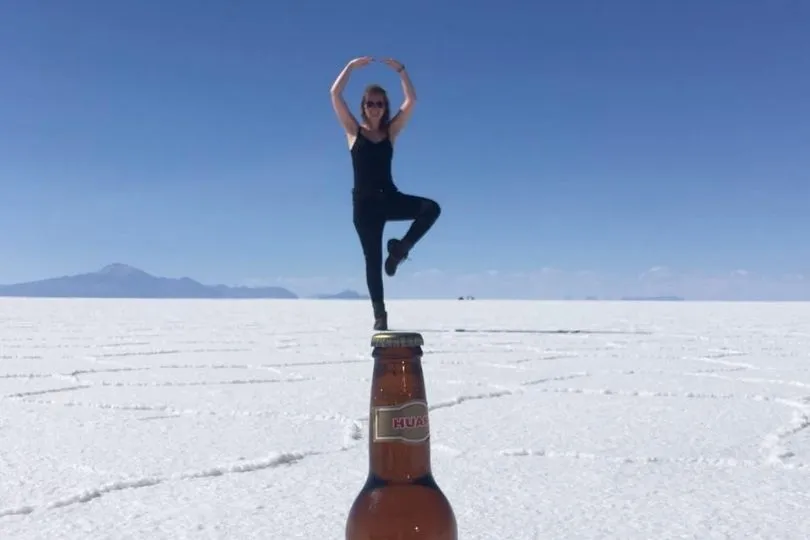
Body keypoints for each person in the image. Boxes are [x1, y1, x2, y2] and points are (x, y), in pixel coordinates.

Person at [330, 56, 441, 331]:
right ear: (363, 107)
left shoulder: (391, 132)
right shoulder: (353, 131)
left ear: (385, 107)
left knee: (431, 209)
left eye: (380, 103)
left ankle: (401, 249)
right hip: (365, 207)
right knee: (372, 260)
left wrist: (402, 71)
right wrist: (351, 68)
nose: (376, 108)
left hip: (389, 198)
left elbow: (412, 101)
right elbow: (335, 93)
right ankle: (380, 315)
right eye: (370, 103)